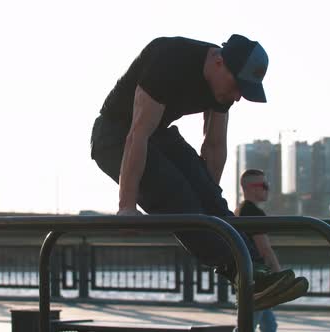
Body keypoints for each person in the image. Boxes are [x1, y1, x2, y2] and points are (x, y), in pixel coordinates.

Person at [90, 34, 302, 309]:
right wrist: (127, 207)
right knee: (178, 198)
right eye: (238, 87)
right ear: (217, 62)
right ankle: (240, 272)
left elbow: (214, 147)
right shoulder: (169, 59)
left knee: (210, 198)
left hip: (159, 137)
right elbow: (137, 135)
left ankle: (254, 272)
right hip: (115, 137)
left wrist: (208, 200)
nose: (237, 97)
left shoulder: (223, 86)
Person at [235, 169, 309, 332]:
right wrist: (279, 276)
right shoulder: (254, 213)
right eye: (264, 185)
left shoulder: (240, 210)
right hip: (258, 278)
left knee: (268, 325)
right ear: (252, 188)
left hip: (248, 273)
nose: (268, 189)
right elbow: (264, 249)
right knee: (247, 325)